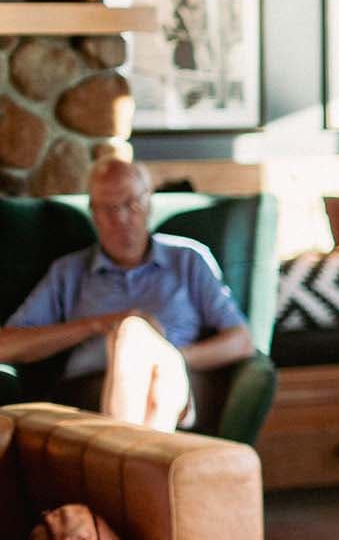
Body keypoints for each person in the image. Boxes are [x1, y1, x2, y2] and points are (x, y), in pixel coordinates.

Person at [1, 158, 254, 432]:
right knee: (131, 333)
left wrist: (168, 356)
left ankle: (122, 460)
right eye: (108, 208)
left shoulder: (189, 260)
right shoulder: (69, 272)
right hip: (90, 390)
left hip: (182, 382)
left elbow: (240, 341)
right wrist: (100, 324)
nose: (121, 219)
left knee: (137, 339)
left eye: (131, 204)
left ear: (149, 203)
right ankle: (143, 458)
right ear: (93, 213)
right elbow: (6, 345)